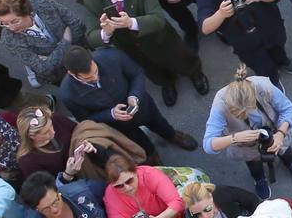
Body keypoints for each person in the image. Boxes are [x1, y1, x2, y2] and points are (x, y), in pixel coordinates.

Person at [84, 0, 209, 108]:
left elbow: (158, 19)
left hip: (159, 38)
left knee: (181, 58)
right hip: (132, 48)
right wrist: (106, 33)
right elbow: (91, 37)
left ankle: (195, 73)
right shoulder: (91, 0)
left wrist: (131, 23)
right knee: (151, 69)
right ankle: (167, 82)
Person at [58, 46, 199, 159]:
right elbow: (86, 119)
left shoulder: (111, 55)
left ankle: (171, 135)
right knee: (138, 141)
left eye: (96, 71)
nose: (96, 77)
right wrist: (111, 114)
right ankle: (150, 156)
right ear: (72, 74)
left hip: (142, 105)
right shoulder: (68, 94)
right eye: (89, 78)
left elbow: (136, 73)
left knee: (159, 122)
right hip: (117, 124)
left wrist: (134, 96)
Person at [204, 67, 292, 198]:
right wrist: (235, 138)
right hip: (245, 145)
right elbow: (208, 145)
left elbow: (287, 109)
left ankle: (291, 163)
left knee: (285, 150)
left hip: (274, 132)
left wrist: (280, 134)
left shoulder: (263, 86)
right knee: (254, 164)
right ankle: (259, 179)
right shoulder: (219, 105)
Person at [0, 0, 88, 91]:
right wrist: (66, 41)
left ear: (27, 11)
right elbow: (44, 69)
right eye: (4, 23)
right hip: (62, 75)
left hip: (82, 53)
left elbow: (77, 25)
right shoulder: (9, 39)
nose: (11, 28)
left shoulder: (42, 2)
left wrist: (51, 58)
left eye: (15, 21)